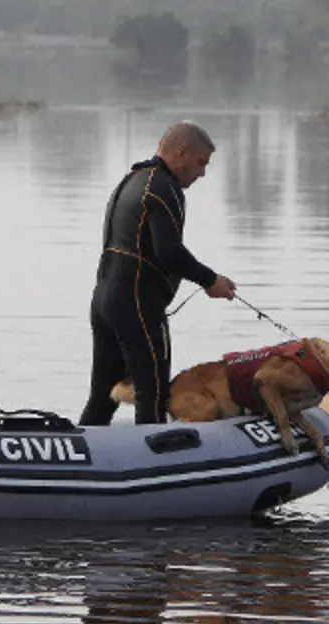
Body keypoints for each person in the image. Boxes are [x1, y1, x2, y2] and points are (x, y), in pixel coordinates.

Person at [79, 121, 238, 426]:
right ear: (181, 152)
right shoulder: (164, 187)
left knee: (103, 395)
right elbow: (168, 252)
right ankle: (154, 466)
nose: (203, 172)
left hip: (103, 301)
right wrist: (210, 280)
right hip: (136, 304)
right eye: (201, 163)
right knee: (151, 394)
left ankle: (76, 460)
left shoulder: (131, 181)